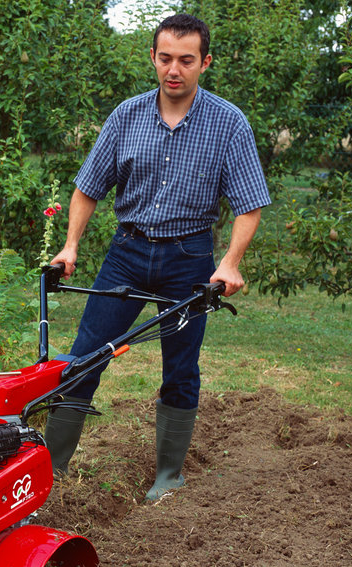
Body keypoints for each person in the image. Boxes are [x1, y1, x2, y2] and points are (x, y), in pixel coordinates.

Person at [45, 13, 271, 501]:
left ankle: (168, 474)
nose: (174, 69)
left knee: (181, 368)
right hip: (126, 253)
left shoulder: (228, 122)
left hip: (189, 260)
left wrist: (228, 263)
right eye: (165, 58)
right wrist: (71, 245)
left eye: (186, 60)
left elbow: (249, 204)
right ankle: (51, 466)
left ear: (204, 63)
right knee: (84, 356)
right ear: (153, 57)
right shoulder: (127, 114)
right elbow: (88, 188)